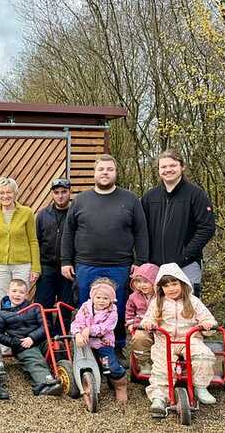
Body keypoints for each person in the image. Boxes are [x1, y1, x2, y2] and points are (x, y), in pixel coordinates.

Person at [61, 154, 149, 360]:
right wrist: (65, 260)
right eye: (101, 169)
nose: (105, 173)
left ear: (116, 173)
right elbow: (68, 232)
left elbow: (141, 232)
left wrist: (140, 262)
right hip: (86, 265)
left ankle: (115, 347)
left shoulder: (130, 199)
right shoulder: (80, 200)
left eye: (109, 169)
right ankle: (86, 348)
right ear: (94, 173)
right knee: (87, 307)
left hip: (119, 266)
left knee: (117, 307)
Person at [141, 263, 218, 416]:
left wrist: (207, 324)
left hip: (190, 339)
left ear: (182, 283)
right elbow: (148, 319)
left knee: (204, 356)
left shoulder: (193, 301)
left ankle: (201, 386)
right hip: (165, 341)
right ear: (160, 288)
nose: (171, 288)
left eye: (174, 284)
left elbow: (208, 319)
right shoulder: (157, 302)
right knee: (162, 367)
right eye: (166, 286)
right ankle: (159, 398)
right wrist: (148, 324)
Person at [141, 150, 215, 298]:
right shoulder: (149, 197)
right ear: (158, 170)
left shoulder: (196, 195)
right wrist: (144, 258)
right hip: (156, 267)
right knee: (160, 308)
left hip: (186, 265)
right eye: (163, 167)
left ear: (182, 167)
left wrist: (185, 255)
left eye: (173, 165)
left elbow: (207, 228)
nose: (168, 170)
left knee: (189, 307)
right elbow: (140, 230)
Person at [0, 279, 62, 396]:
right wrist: (13, 342)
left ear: (26, 295)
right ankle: (45, 383)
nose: (17, 294)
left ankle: (65, 374)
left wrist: (32, 338)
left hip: (39, 340)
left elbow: (46, 325)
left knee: (57, 347)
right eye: (14, 291)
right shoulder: (3, 313)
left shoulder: (34, 307)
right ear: (8, 292)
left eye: (21, 292)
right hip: (22, 344)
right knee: (35, 359)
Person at [70, 278, 128, 402]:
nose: (101, 301)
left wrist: (89, 330)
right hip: (86, 343)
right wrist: (77, 334)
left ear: (111, 299)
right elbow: (77, 322)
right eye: (98, 297)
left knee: (109, 366)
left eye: (105, 298)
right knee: (83, 362)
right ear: (93, 297)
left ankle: (120, 385)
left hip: (103, 344)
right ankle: (85, 383)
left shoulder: (112, 311)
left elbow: (106, 327)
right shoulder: (85, 307)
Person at [0, 177, 41, 302]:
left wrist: (36, 268)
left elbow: (33, 241)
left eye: (9, 192)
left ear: (15, 193)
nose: (5, 196)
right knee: (3, 300)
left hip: (22, 265)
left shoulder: (26, 213)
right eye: (2, 193)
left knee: (20, 299)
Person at [35, 178, 73, 335]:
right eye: (56, 192)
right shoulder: (43, 215)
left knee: (65, 306)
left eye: (64, 192)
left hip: (68, 268)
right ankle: (46, 337)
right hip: (46, 267)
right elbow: (36, 241)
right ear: (52, 194)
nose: (60, 196)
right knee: (43, 304)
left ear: (69, 192)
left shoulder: (75, 213)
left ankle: (62, 337)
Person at [126, 263, 159, 374]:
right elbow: (129, 312)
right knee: (139, 339)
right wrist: (130, 324)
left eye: (146, 282)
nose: (142, 285)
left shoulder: (161, 296)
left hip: (159, 326)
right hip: (141, 326)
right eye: (138, 282)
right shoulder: (134, 297)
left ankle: (164, 362)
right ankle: (144, 363)